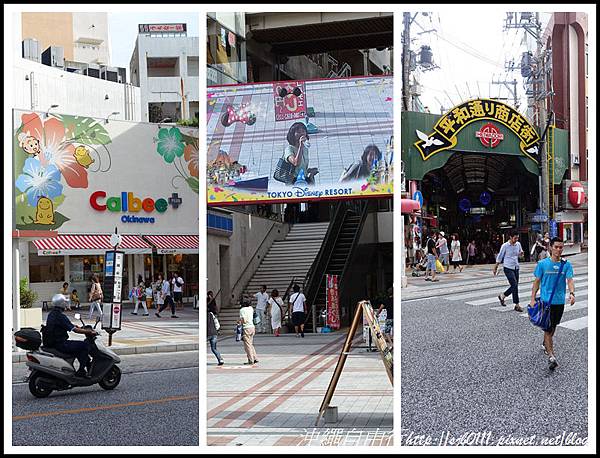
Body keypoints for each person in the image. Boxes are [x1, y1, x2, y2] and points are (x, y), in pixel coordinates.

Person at [529, 237, 575, 370]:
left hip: (559, 302)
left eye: (561, 247)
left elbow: (570, 280)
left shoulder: (566, 264)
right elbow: (537, 282)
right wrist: (533, 299)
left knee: (553, 327)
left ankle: (545, 343)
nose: (558, 250)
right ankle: (551, 356)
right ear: (551, 247)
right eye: (556, 247)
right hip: (546, 302)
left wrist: (572, 293)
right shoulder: (542, 264)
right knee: (548, 329)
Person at [44, 294, 98, 377]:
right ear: (61, 304)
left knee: (78, 347)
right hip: (61, 344)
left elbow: (67, 325)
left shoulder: (51, 314)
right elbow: (75, 330)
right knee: (84, 345)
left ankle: (84, 369)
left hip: (54, 343)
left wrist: (76, 326)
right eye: (65, 303)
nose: (66, 304)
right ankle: (81, 371)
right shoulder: (60, 316)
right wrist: (89, 332)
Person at [493, 231, 525, 312]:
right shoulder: (505, 246)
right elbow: (500, 256)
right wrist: (495, 267)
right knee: (514, 285)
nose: (516, 240)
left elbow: (520, 255)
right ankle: (517, 305)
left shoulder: (518, 244)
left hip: (516, 267)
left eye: (517, 238)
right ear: (510, 237)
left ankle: (502, 296)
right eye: (515, 238)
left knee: (515, 286)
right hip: (508, 267)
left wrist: (521, 254)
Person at [238, 298, 258, 365]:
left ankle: (251, 360)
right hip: (252, 327)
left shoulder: (242, 310)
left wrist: (239, 322)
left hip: (246, 328)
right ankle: (255, 358)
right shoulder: (251, 308)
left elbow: (244, 320)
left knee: (247, 345)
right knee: (250, 344)